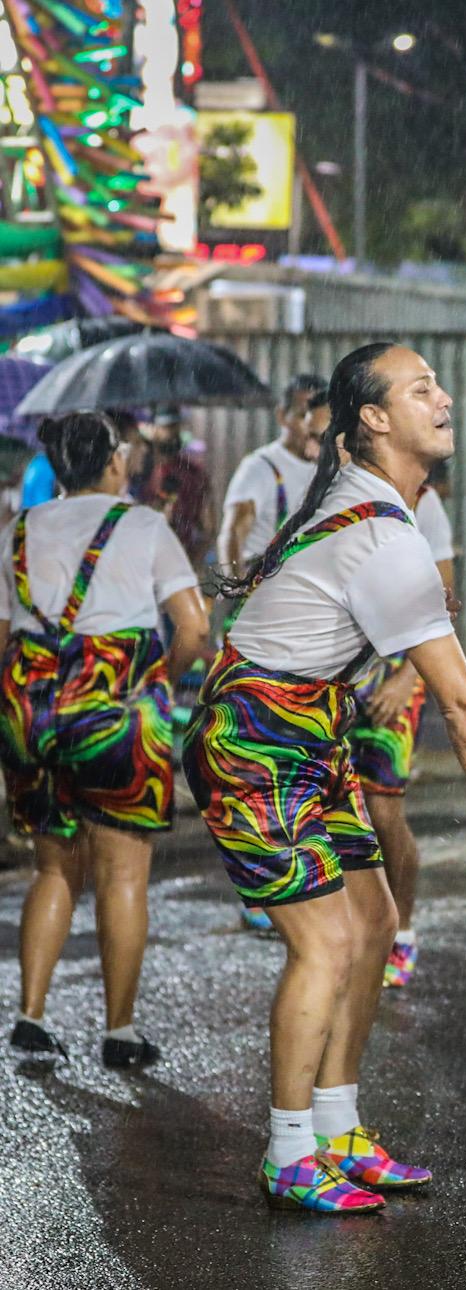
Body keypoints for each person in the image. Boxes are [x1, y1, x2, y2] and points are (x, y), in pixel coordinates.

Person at [183, 343, 466, 1214]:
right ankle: (287, 1152)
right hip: (256, 740)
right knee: (327, 942)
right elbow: (463, 707)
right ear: (374, 420)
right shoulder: (384, 537)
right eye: (421, 388)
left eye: (440, 383)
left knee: (376, 919)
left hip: (309, 734)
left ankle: (340, 1129)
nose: (444, 396)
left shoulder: (379, 508)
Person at [3, 412, 208, 1067]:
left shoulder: (18, 529)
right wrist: (155, 684)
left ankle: (30, 1018)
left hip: (31, 710)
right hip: (117, 708)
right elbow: (194, 629)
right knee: (123, 876)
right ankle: (118, 1033)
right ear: (115, 461)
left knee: (53, 867)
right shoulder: (144, 524)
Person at [347, 471, 456, 990]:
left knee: (384, 806)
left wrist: (409, 678)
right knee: (342, 809)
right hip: (344, 673)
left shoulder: (424, 506)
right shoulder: (347, 498)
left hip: (397, 672)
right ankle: (360, 927)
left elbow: (444, 602)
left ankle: (402, 929)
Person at [220, 375, 326, 581]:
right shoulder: (259, 467)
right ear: (281, 415)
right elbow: (233, 534)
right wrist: (238, 586)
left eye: (316, 416)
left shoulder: (332, 467)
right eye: (302, 415)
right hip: (266, 586)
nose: (310, 424)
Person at [131, 408, 215, 564]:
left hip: (180, 558)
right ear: (153, 430)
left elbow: (208, 526)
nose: (175, 434)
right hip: (140, 561)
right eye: (168, 427)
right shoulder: (137, 470)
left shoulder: (193, 473)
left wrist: (193, 562)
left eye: (177, 427)